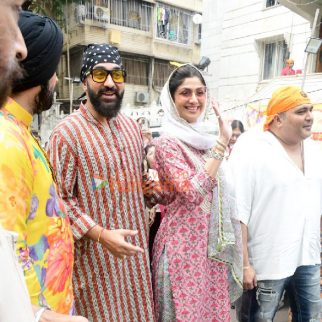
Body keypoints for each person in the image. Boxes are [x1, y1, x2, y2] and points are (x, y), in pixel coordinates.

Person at [47, 43, 155, 321]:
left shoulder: (132, 128)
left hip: (135, 266)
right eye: (99, 75)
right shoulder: (66, 134)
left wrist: (148, 188)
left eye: (117, 75)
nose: (109, 83)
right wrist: (101, 234)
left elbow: (130, 186)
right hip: (95, 270)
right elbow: (58, 204)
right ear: (84, 80)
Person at [0, 10, 88, 322]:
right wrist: (40, 315)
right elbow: (6, 249)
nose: (55, 79)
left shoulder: (19, 130)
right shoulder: (7, 141)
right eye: (53, 70)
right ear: (38, 70)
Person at [151, 64, 242, 321]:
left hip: (210, 253)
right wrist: (222, 144)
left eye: (200, 93)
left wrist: (218, 144)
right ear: (171, 98)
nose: (194, 100)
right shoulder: (167, 143)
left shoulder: (205, 142)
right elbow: (193, 193)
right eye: (185, 93)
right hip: (182, 255)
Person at [229, 86, 322, 321]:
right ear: (277, 119)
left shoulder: (314, 150)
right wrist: (244, 264)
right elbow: (238, 209)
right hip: (266, 266)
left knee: (309, 317)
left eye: (310, 110)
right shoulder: (252, 147)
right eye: (301, 111)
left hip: (307, 259)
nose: (309, 116)